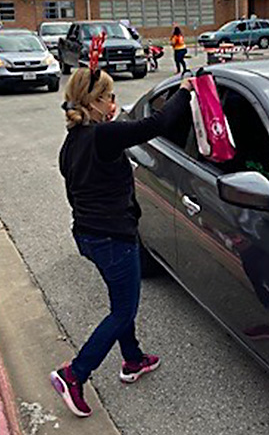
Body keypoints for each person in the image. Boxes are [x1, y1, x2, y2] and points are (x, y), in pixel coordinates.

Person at [52, 68, 194, 418]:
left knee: (121, 301)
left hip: (88, 235)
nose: (114, 103)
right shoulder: (104, 135)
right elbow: (155, 125)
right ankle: (75, 374)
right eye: (110, 97)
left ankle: (133, 360)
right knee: (123, 310)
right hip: (113, 239)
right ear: (96, 103)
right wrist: (186, 91)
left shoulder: (73, 141)